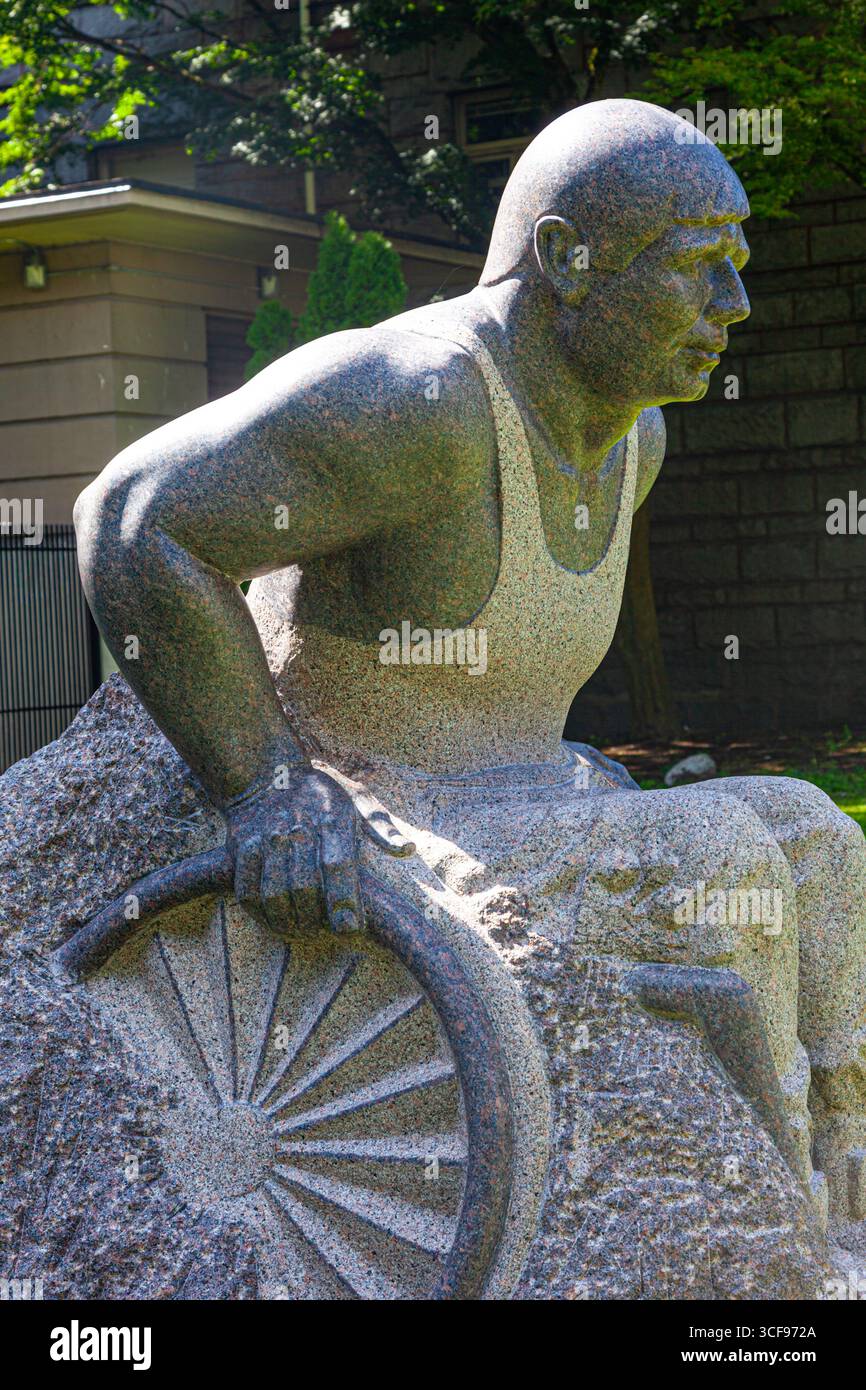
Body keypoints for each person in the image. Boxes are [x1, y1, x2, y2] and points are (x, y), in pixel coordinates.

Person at [74, 99, 866, 1223]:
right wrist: (264, 790)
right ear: (565, 260)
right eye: (697, 267)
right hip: (383, 815)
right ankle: (749, 1227)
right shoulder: (422, 402)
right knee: (715, 844)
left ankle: (841, 1189)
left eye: (734, 267)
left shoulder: (633, 433)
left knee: (816, 838)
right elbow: (130, 517)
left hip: (516, 803)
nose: (732, 307)